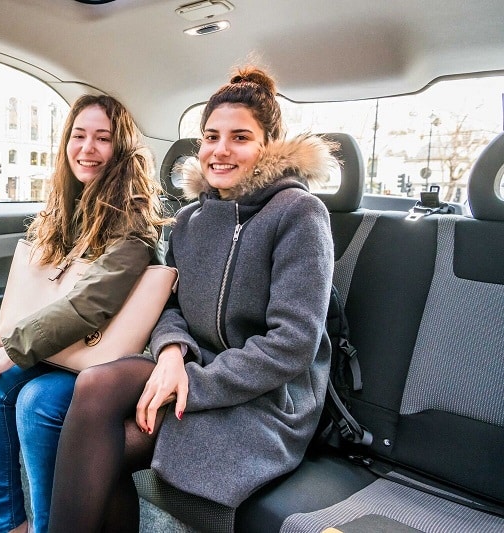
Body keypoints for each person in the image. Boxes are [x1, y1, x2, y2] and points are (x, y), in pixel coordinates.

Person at [48, 65, 337, 532]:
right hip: (193, 364)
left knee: (111, 453)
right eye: (210, 136)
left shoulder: (300, 214)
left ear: (269, 146)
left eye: (240, 137)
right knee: (95, 385)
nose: (220, 150)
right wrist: (169, 354)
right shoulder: (189, 220)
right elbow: (171, 307)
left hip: (266, 397)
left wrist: (192, 384)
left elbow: (293, 344)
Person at [0, 94, 166, 533]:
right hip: (54, 347)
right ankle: (7, 525)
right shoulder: (61, 210)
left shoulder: (133, 223)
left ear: (122, 149)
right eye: (79, 136)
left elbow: (88, 305)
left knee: (37, 402)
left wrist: (14, 350)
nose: (87, 148)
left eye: (102, 138)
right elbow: (32, 292)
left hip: (98, 358)